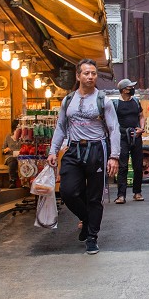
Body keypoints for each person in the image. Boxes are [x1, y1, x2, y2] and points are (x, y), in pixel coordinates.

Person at [47, 59, 120, 254]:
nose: (90, 76)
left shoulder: (103, 100)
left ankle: (91, 237)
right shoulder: (68, 100)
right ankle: (87, 220)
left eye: (93, 73)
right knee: (68, 191)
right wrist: (53, 151)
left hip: (97, 149)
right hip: (73, 150)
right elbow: (61, 127)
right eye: (86, 73)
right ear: (78, 76)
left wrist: (114, 156)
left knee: (94, 197)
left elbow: (114, 129)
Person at [112, 78, 146, 204]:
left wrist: (141, 128)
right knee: (123, 166)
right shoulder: (115, 104)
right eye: (129, 87)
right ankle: (121, 195)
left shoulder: (136, 101)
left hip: (136, 136)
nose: (132, 89)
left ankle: (137, 192)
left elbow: (141, 116)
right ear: (123, 90)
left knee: (138, 165)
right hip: (122, 137)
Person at [1, 119, 20, 189]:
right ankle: (12, 181)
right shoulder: (8, 136)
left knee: (23, 162)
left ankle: (24, 182)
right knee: (12, 162)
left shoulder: (23, 137)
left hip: (20, 156)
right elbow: (3, 150)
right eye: (16, 128)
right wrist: (6, 150)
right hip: (10, 157)